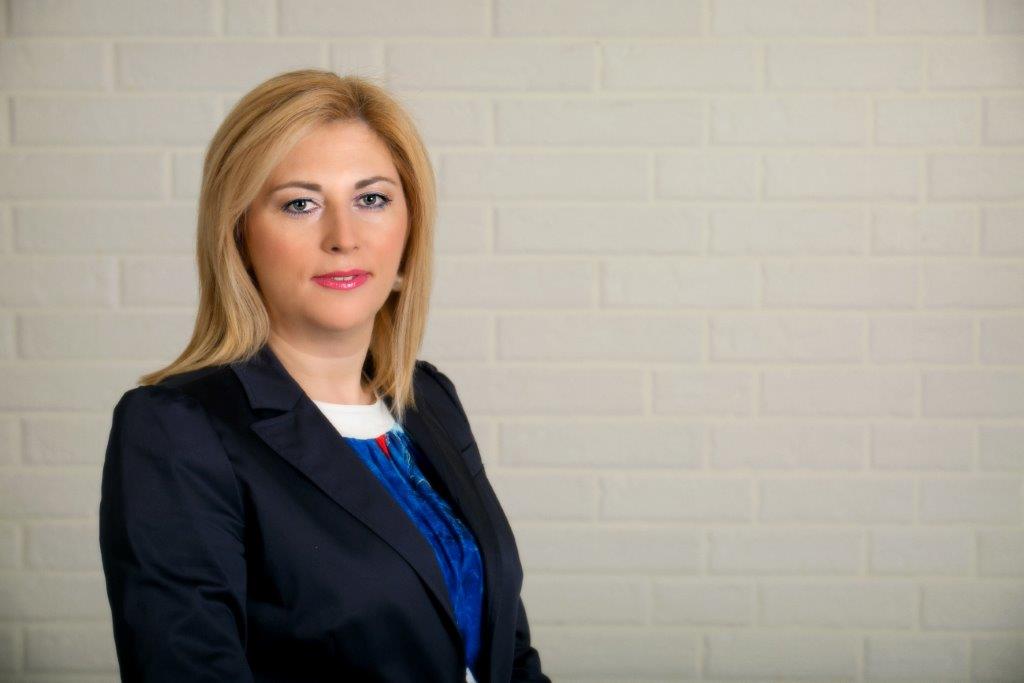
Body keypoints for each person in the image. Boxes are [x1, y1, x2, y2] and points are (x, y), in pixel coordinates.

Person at [98, 69, 551, 683]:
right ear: (239, 235)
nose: (344, 238)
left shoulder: (428, 399)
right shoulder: (176, 429)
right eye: (300, 204)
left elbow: (508, 653)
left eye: (372, 199)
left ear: (410, 227)